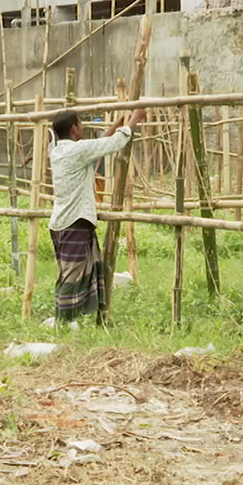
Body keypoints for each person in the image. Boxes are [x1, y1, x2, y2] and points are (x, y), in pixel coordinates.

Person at [48, 107, 144, 326]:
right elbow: (110, 145)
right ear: (74, 129)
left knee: (68, 273)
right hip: (74, 223)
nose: (82, 127)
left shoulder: (58, 151)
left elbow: (96, 147)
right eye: (80, 124)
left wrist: (116, 125)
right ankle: (62, 322)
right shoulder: (77, 151)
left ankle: (68, 320)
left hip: (62, 222)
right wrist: (134, 120)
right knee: (72, 277)